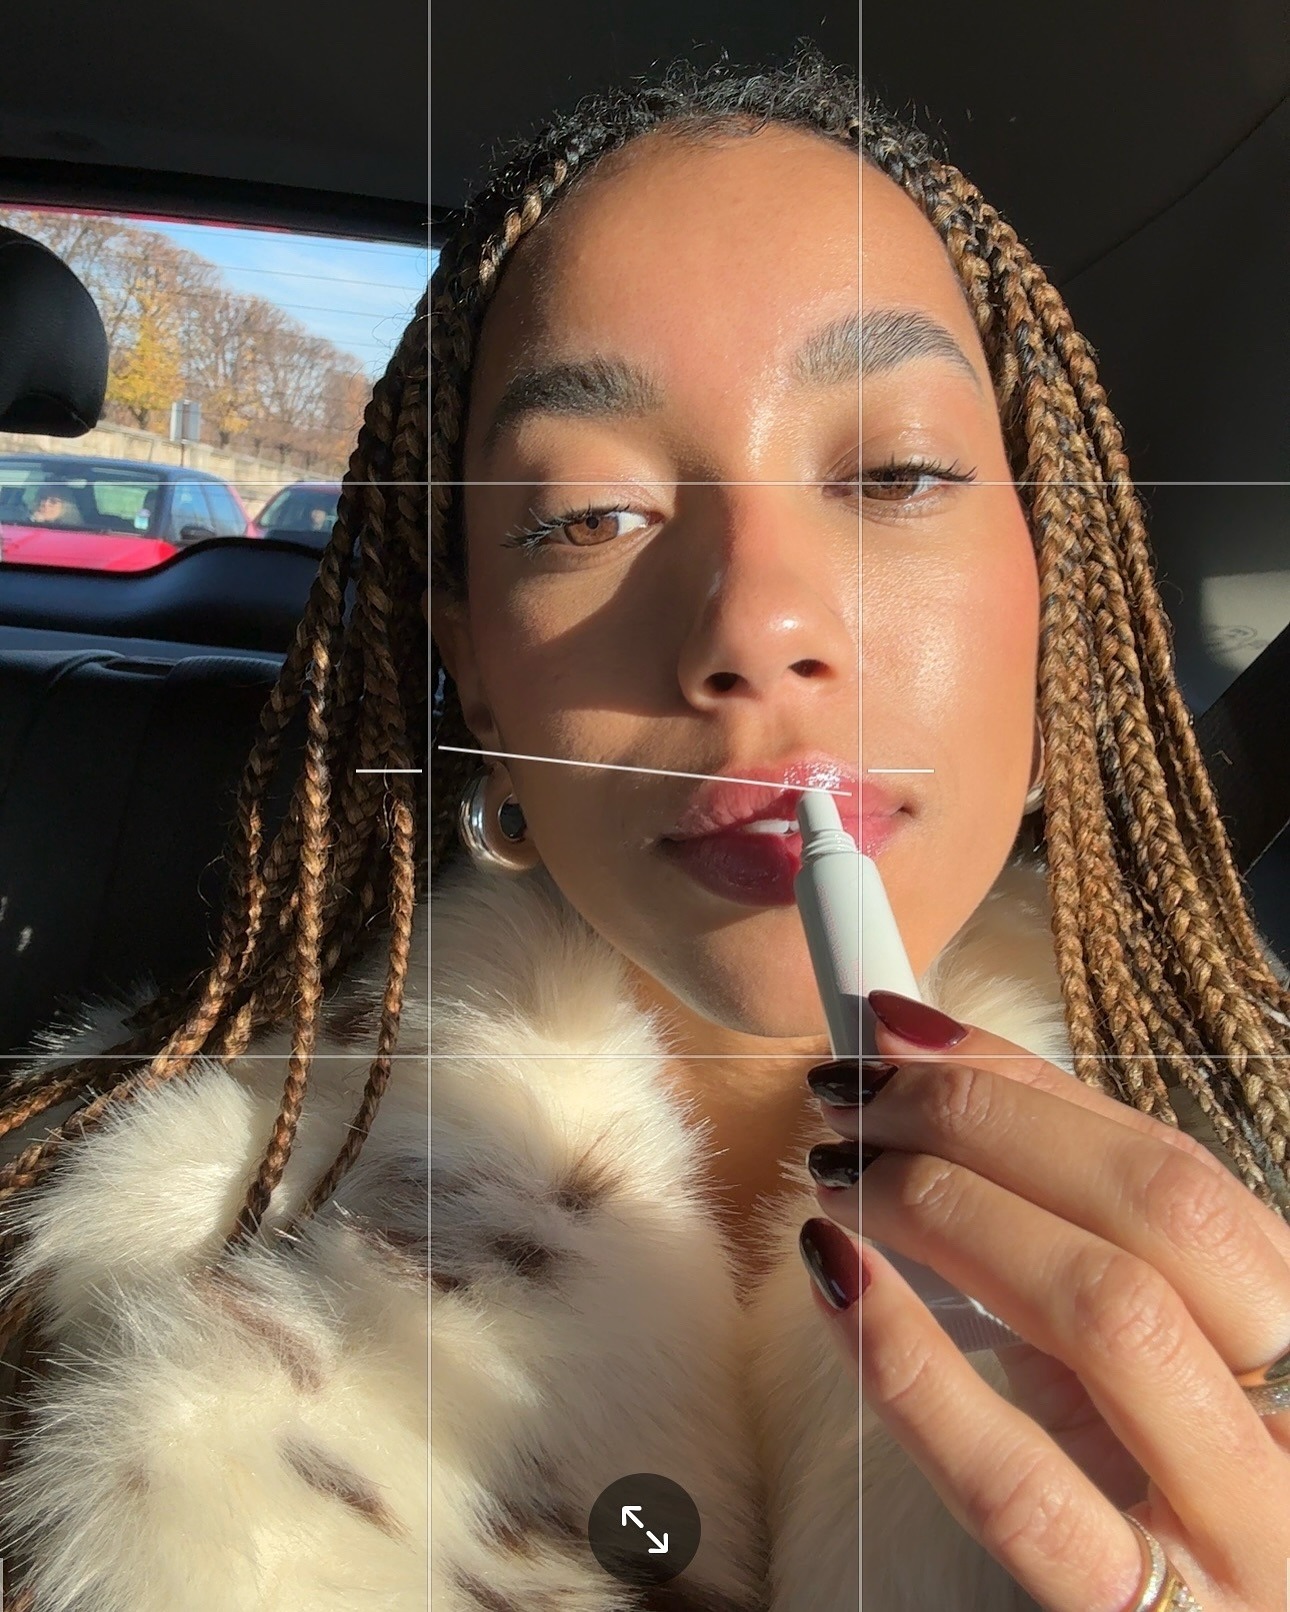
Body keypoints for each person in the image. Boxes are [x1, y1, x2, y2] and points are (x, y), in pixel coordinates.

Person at [427, 44, 1290, 1612]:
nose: (754, 621)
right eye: (589, 515)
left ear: (1058, 602)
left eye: (893, 472)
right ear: (476, 666)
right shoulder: (125, 1298)